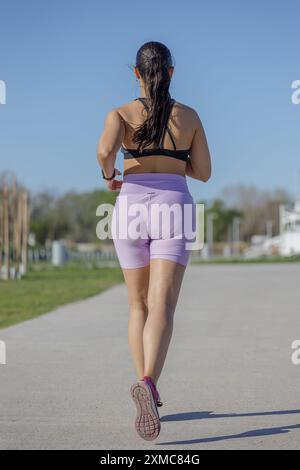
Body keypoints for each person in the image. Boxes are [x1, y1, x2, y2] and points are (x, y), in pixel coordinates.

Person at [97, 41, 211, 441]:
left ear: (136, 74)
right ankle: (148, 383)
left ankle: (142, 381)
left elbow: (104, 150)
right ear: (172, 73)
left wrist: (111, 173)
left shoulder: (120, 113)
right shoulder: (190, 116)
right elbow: (205, 172)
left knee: (137, 305)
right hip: (174, 205)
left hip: (129, 207)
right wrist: (173, 160)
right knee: (162, 304)